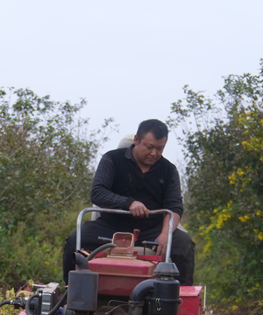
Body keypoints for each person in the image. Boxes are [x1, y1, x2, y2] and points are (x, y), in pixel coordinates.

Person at [62, 119, 195, 285]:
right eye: (149, 147)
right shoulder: (112, 159)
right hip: (110, 227)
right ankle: (71, 293)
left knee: (183, 244)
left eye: (160, 148)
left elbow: (174, 206)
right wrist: (128, 203)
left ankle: (181, 299)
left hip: (151, 230)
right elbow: (97, 192)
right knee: (75, 240)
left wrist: (164, 234)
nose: (154, 153)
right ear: (136, 140)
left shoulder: (169, 170)